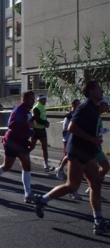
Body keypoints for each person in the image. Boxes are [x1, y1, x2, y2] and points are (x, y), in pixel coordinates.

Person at [34, 81, 110, 235]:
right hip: (77, 151)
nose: (102, 91)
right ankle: (42, 200)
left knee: (96, 183)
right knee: (72, 186)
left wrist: (94, 138)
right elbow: (71, 128)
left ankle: (98, 222)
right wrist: (92, 139)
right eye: (98, 88)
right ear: (90, 91)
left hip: (88, 152)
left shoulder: (94, 108)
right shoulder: (85, 107)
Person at [0, 91, 36, 203]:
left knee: (26, 164)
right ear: (24, 99)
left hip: (20, 142)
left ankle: (28, 193)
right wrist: (28, 127)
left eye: (33, 99)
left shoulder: (26, 111)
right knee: (7, 166)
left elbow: (28, 127)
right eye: (31, 99)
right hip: (12, 141)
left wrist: (30, 132)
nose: (33, 101)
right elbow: (12, 126)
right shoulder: (19, 111)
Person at [55, 98, 82, 200]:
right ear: (73, 105)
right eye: (77, 105)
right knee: (70, 159)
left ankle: (73, 189)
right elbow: (65, 130)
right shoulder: (69, 116)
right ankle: (61, 169)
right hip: (69, 140)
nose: (79, 106)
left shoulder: (79, 115)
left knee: (75, 162)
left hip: (77, 141)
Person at [85, 97, 110, 194]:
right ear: (100, 104)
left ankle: (93, 185)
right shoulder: (93, 115)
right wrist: (99, 132)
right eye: (106, 105)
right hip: (90, 146)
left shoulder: (98, 116)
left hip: (96, 146)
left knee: (105, 167)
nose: (107, 107)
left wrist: (100, 132)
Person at [30, 94, 53, 172]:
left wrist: (46, 122)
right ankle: (22, 156)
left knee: (44, 147)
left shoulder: (42, 107)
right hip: (36, 130)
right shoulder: (36, 108)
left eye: (45, 99)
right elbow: (37, 119)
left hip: (42, 129)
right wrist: (45, 123)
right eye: (44, 99)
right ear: (39, 100)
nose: (45, 101)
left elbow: (43, 118)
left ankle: (46, 165)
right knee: (31, 147)